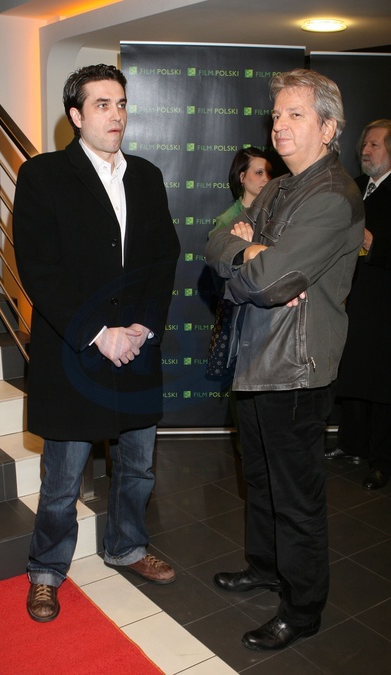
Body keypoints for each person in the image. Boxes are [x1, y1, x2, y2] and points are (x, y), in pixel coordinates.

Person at [13, 64, 180, 623]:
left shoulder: (147, 177)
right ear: (76, 115)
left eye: (122, 103)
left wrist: (143, 328)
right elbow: (39, 268)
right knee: (63, 478)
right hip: (75, 350)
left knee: (138, 467)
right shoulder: (43, 175)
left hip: (135, 349)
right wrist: (98, 333)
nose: (117, 115)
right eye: (103, 104)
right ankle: (46, 570)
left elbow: (163, 260)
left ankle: (127, 546)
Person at [205, 68, 364, 651]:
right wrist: (251, 250)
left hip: (296, 368)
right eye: (277, 114)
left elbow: (270, 282)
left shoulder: (333, 197)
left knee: (296, 498)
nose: (280, 125)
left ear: (328, 127)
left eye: (295, 114)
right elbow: (215, 243)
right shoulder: (276, 188)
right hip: (256, 358)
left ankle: (302, 608)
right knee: (260, 480)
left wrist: (253, 257)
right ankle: (266, 567)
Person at [325, 119, 391, 490]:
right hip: (350, 299)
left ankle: (382, 461)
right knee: (351, 373)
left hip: (382, 304)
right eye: (364, 145)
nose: (366, 151)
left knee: (381, 383)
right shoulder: (353, 187)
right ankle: (351, 444)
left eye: (375, 145)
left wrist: (372, 243)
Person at [206, 148, 272, 428]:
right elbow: (220, 280)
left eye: (269, 172)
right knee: (242, 392)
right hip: (238, 317)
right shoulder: (228, 221)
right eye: (258, 172)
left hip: (269, 315)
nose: (266, 179)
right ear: (242, 178)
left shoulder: (275, 215)